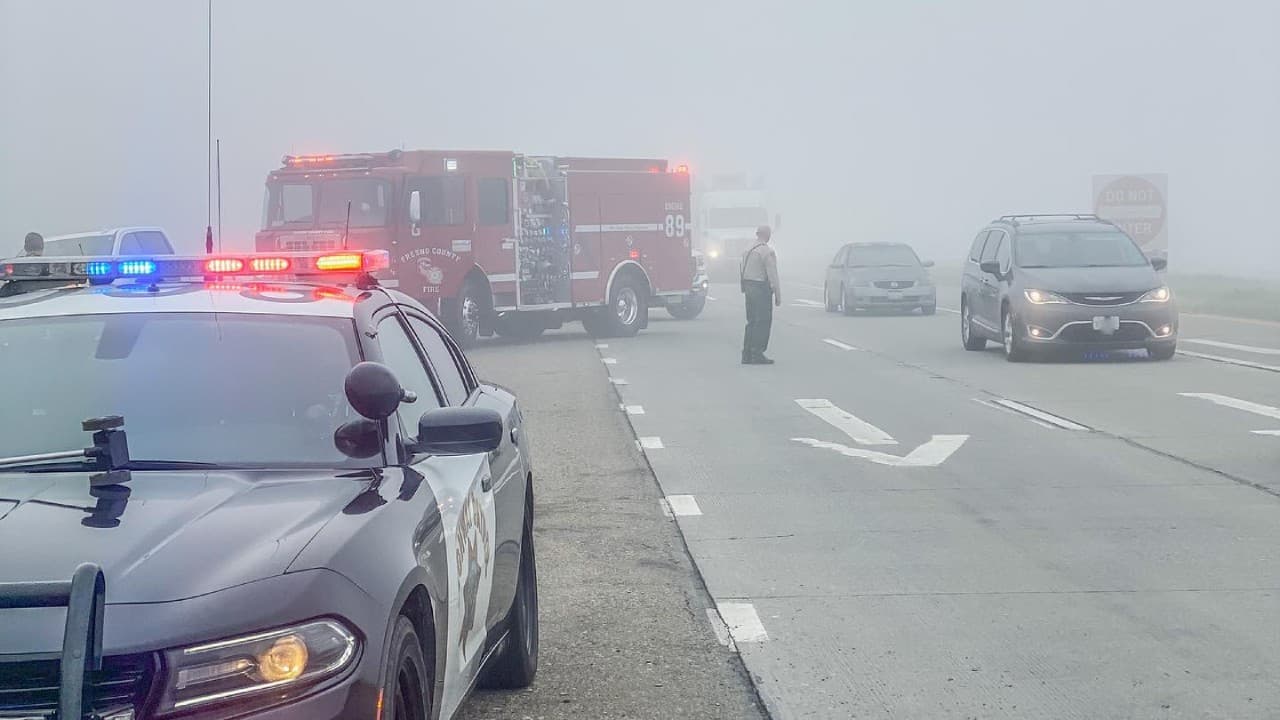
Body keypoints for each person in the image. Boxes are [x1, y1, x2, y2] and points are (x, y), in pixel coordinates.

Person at [740, 225, 781, 364]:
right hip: (761, 288)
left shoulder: (747, 249)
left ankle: (746, 353)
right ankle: (757, 353)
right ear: (767, 235)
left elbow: (742, 269)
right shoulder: (766, 251)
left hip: (748, 287)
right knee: (762, 321)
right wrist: (778, 295)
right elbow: (772, 274)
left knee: (751, 321)